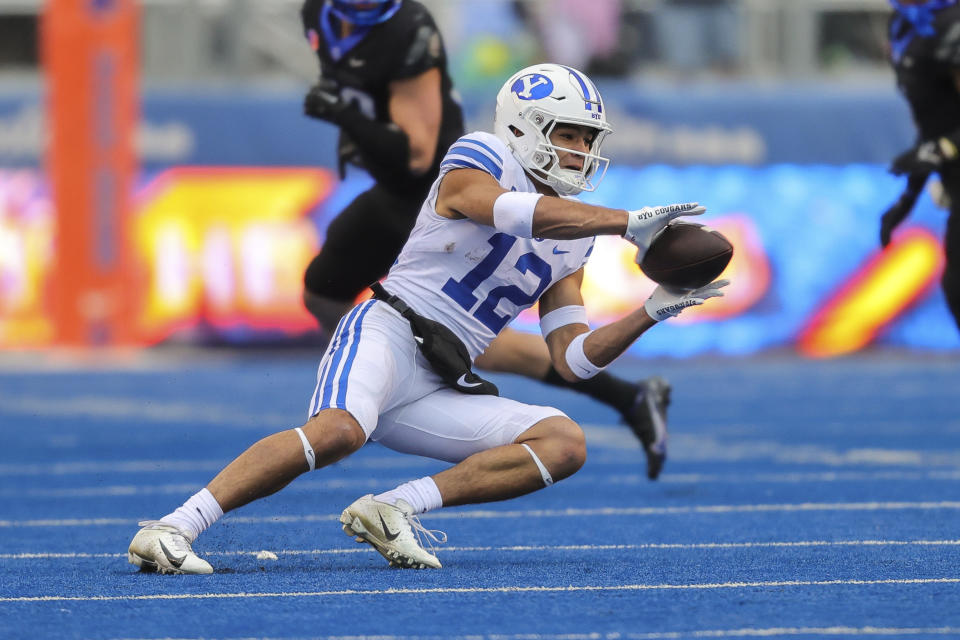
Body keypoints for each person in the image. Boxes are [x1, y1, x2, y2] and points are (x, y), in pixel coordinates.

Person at [126, 63, 727, 574]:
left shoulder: (577, 240)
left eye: (589, 139)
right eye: (569, 134)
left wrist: (650, 311)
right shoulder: (482, 155)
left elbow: (571, 359)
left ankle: (394, 507)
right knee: (339, 431)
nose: (581, 151)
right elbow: (502, 210)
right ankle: (172, 528)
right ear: (522, 126)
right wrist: (623, 222)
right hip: (388, 331)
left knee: (564, 442)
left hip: (442, 374)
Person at [299, 0, 673, 479]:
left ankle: (377, 387)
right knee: (327, 291)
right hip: (392, 188)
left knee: (444, 327)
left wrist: (351, 122)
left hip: (439, 190)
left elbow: (416, 153)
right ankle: (371, 382)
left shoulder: (406, 27)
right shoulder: (321, 15)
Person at [881, 0, 960, 332]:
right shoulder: (903, 25)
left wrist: (942, 149)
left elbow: (938, 140)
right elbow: (933, 123)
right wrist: (907, 199)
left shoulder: (952, 25)